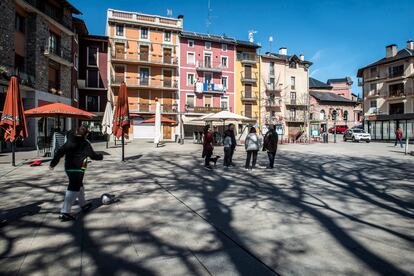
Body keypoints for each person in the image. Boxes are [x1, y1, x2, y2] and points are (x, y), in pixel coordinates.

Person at [50, 126, 104, 221]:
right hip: (78, 169)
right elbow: (93, 156)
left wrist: (53, 164)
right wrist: (100, 156)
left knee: (79, 185)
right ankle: (65, 212)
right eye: (87, 134)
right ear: (85, 134)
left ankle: (83, 204)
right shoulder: (84, 144)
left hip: (69, 168)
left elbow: (59, 152)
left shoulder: (69, 141)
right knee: (74, 187)